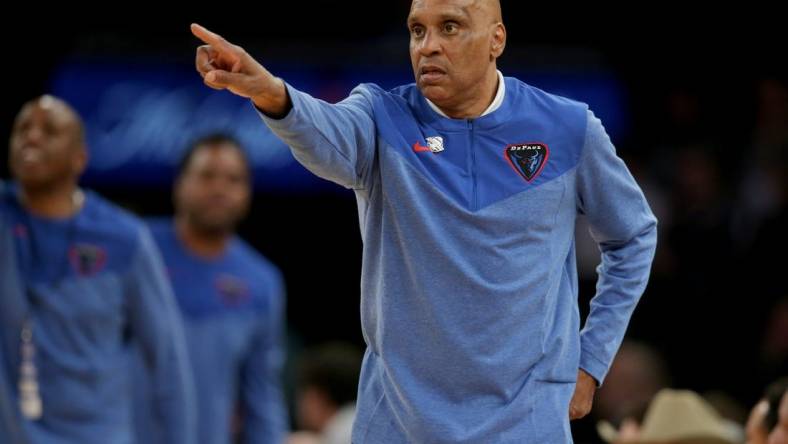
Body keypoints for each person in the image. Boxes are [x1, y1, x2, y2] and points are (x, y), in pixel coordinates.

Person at [190, 0, 658, 441]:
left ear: (496, 39)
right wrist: (271, 93)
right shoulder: (380, 116)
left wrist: (592, 360)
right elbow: (323, 133)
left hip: (526, 424)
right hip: (398, 425)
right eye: (417, 30)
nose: (427, 45)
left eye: (449, 27)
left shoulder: (568, 126)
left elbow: (633, 235)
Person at [0, 95, 194, 443]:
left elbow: (167, 359)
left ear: (80, 158)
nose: (31, 137)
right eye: (22, 128)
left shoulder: (124, 237)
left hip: (98, 434)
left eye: (49, 130)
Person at [132, 134, 288, 444]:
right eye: (206, 176)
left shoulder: (261, 281)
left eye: (233, 180)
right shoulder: (136, 252)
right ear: (180, 184)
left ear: (247, 193)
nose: (219, 189)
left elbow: (262, 395)